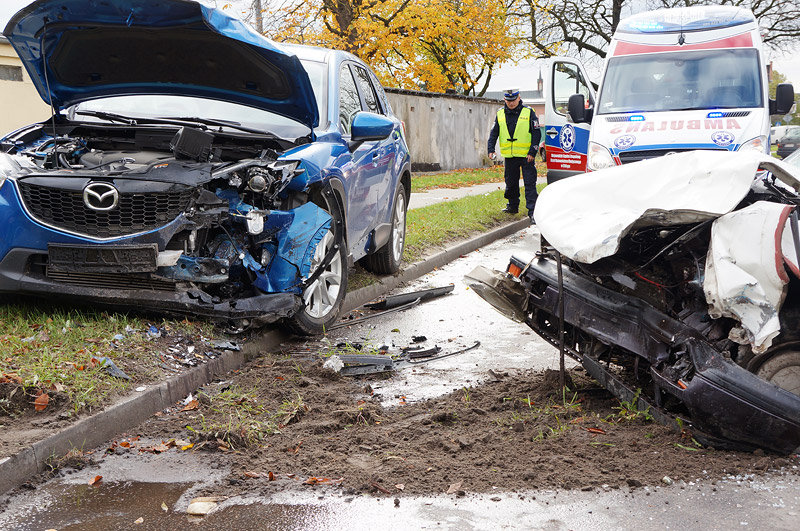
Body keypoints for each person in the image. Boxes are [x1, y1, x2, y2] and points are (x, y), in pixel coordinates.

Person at [488, 88, 542, 223]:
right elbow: (494, 133)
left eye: (513, 100)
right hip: (510, 156)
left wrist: (532, 152)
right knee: (511, 183)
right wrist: (491, 149)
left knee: (530, 184)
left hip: (526, 156)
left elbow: (536, 134)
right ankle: (512, 206)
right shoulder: (500, 113)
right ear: (504, 100)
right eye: (508, 100)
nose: (511, 103)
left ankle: (533, 212)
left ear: (519, 98)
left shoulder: (529, 112)